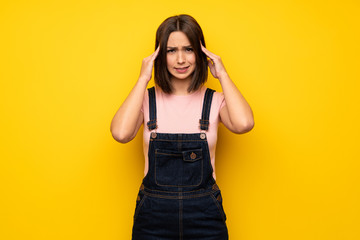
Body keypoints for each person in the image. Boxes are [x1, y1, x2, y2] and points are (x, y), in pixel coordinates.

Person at [110, 14, 254, 240]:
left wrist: (223, 74)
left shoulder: (215, 100)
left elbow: (244, 124)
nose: (180, 59)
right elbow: (120, 133)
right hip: (153, 220)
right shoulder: (146, 100)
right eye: (170, 51)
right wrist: (142, 79)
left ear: (200, 53)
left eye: (188, 49)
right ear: (159, 55)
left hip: (205, 218)